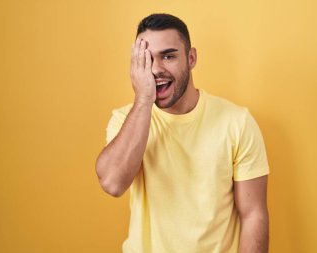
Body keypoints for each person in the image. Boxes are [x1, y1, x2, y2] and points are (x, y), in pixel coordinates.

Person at [96, 13, 270, 253]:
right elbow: (113, 183)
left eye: (168, 56)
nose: (156, 69)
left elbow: (253, 215)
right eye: (147, 59)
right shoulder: (126, 119)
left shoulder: (237, 122)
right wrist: (144, 99)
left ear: (191, 58)